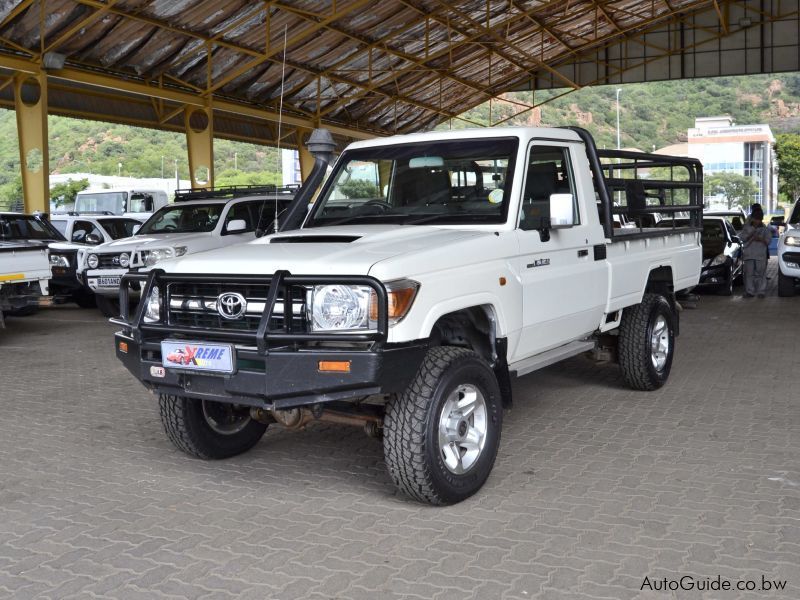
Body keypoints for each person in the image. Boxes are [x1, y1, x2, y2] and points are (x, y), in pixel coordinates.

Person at [739, 204, 771, 298]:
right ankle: (750, 291)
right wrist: (750, 235)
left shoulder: (765, 229)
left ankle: (761, 292)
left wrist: (760, 239)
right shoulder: (747, 228)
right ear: (752, 218)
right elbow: (742, 238)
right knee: (749, 274)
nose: (757, 221)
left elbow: (768, 241)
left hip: (760, 255)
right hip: (749, 254)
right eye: (755, 219)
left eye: (759, 219)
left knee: (760, 273)